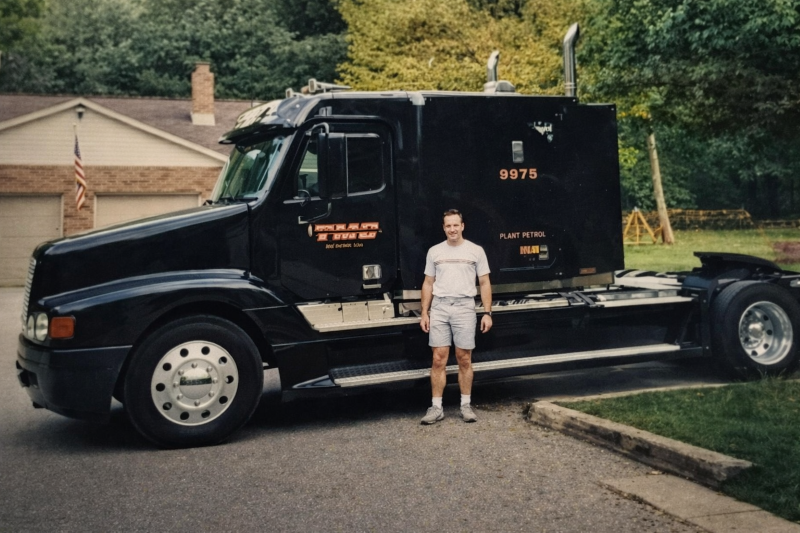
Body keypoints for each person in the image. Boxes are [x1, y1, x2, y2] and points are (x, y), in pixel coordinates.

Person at [419, 209, 492, 424]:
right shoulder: (434, 252)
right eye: (448, 226)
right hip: (440, 308)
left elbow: (485, 283)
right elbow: (428, 283)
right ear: (444, 228)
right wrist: (425, 312)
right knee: (438, 359)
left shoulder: (475, 251)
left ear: (462, 226)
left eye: (455, 225)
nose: (452, 229)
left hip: (464, 308)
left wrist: (487, 312)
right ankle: (436, 408)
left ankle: (466, 405)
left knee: (464, 358)